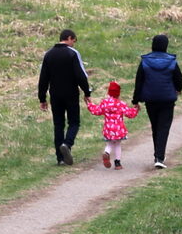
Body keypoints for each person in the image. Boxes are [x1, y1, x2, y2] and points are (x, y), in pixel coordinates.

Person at [38, 28, 90, 166]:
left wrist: (42, 98)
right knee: (74, 122)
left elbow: (43, 78)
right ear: (69, 38)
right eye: (74, 41)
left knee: (58, 124)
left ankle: (60, 158)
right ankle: (67, 144)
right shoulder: (72, 53)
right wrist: (87, 92)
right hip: (71, 93)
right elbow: (81, 75)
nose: (74, 44)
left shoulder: (48, 54)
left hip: (55, 94)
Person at [132, 33, 182, 170]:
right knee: (164, 127)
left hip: (150, 99)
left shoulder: (145, 61)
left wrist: (135, 100)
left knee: (155, 126)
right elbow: (179, 79)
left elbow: (139, 81)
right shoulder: (172, 61)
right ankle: (159, 157)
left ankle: (158, 154)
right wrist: (178, 90)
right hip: (167, 99)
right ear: (166, 46)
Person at [87, 81, 139, 169]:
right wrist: (136, 109)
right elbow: (129, 113)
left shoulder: (105, 103)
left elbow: (97, 111)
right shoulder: (120, 104)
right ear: (118, 93)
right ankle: (117, 163)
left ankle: (107, 152)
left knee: (110, 144)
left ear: (109, 92)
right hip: (118, 129)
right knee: (117, 144)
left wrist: (89, 104)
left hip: (108, 129)